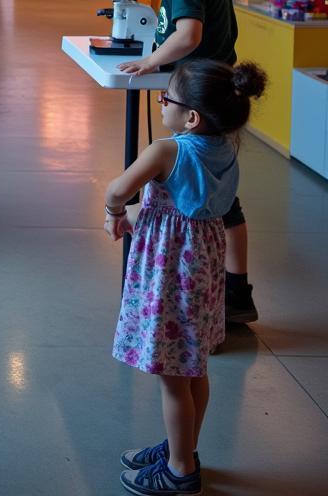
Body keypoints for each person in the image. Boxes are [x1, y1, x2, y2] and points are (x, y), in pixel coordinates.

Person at [105, 59, 266, 496]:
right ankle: (185, 448)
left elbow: (118, 189)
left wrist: (115, 213)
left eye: (167, 97)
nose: (161, 102)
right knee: (194, 369)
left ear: (190, 117)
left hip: (169, 275)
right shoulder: (226, 150)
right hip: (204, 273)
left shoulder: (166, 151)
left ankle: (180, 472)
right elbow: (190, 207)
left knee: (172, 378)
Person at [116, 0, 257, 326]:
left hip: (200, 94)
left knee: (208, 196)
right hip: (210, 91)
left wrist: (149, 61)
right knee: (223, 195)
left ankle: (225, 293)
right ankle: (237, 290)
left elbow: (187, 35)